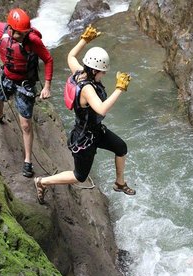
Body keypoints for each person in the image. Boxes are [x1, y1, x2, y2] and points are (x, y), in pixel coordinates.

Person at [33, 25, 135, 205]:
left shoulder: (80, 72)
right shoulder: (87, 88)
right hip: (84, 138)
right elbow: (101, 109)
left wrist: (84, 40)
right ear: (95, 71)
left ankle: (119, 183)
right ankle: (42, 182)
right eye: (103, 72)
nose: (104, 75)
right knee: (79, 176)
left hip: (96, 131)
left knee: (121, 147)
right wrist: (119, 89)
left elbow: (70, 56)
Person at [0, 8, 53, 177]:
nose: (24, 36)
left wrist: (47, 86)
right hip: (7, 76)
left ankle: (28, 161)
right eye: (20, 33)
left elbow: (48, 59)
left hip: (24, 84)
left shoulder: (32, 40)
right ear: (10, 28)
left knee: (25, 124)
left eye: (25, 32)